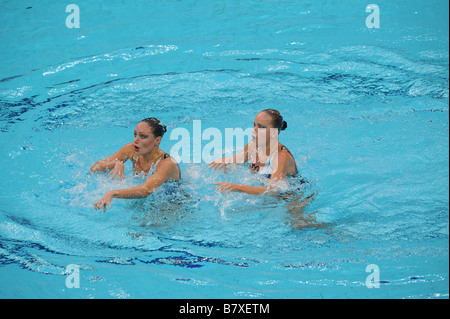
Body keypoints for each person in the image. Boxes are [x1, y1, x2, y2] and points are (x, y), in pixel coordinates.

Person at [91, 117, 181, 212]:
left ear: (157, 140)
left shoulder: (167, 162)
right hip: (148, 200)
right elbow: (93, 169)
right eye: (135, 134)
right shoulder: (131, 150)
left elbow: (146, 190)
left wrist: (113, 193)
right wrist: (115, 163)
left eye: (143, 136)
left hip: (172, 202)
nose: (136, 140)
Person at [209, 109, 298, 195]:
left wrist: (239, 187)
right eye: (254, 125)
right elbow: (240, 159)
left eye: (261, 127)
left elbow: (274, 190)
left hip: (290, 197)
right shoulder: (253, 146)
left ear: (274, 133)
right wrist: (228, 160)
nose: (253, 129)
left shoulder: (281, 156)